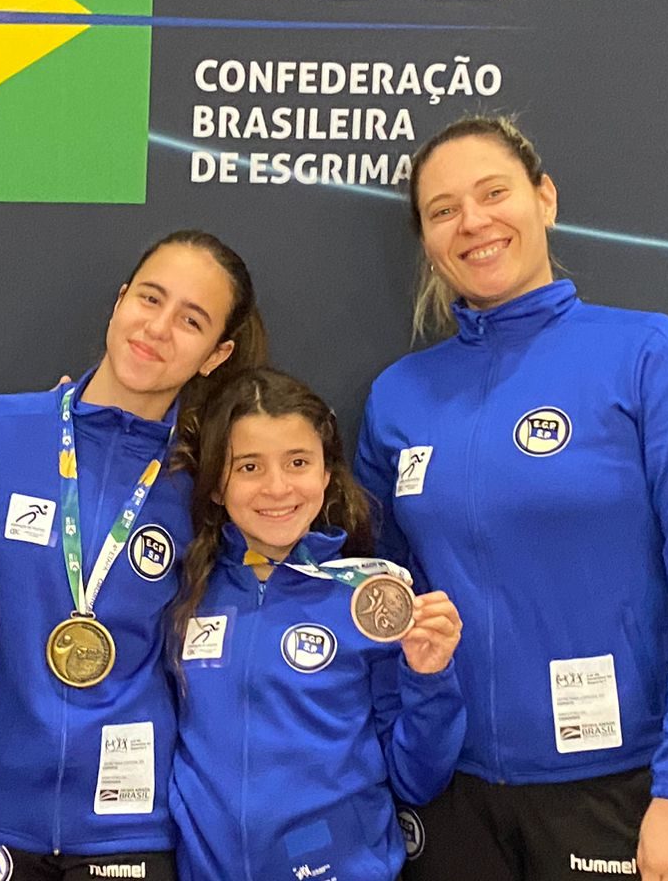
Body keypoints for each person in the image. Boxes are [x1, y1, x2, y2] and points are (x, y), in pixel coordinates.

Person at [354, 115, 668, 881]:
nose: (473, 221)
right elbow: (381, 600)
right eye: (443, 210)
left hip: (611, 791)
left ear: (544, 198)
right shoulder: (398, 398)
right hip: (448, 799)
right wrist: (400, 757)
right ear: (428, 239)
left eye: (494, 192)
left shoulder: (651, 354)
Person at [0, 230, 264, 880]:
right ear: (120, 300)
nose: (158, 327)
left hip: (130, 825)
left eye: (192, 320)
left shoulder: (209, 478)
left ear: (218, 353)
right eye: (149, 298)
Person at [167, 366, 464, 881]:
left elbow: (418, 778)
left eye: (298, 462)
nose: (277, 487)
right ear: (216, 484)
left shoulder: (371, 602)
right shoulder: (183, 590)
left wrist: (430, 676)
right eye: (249, 467)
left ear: (326, 475)